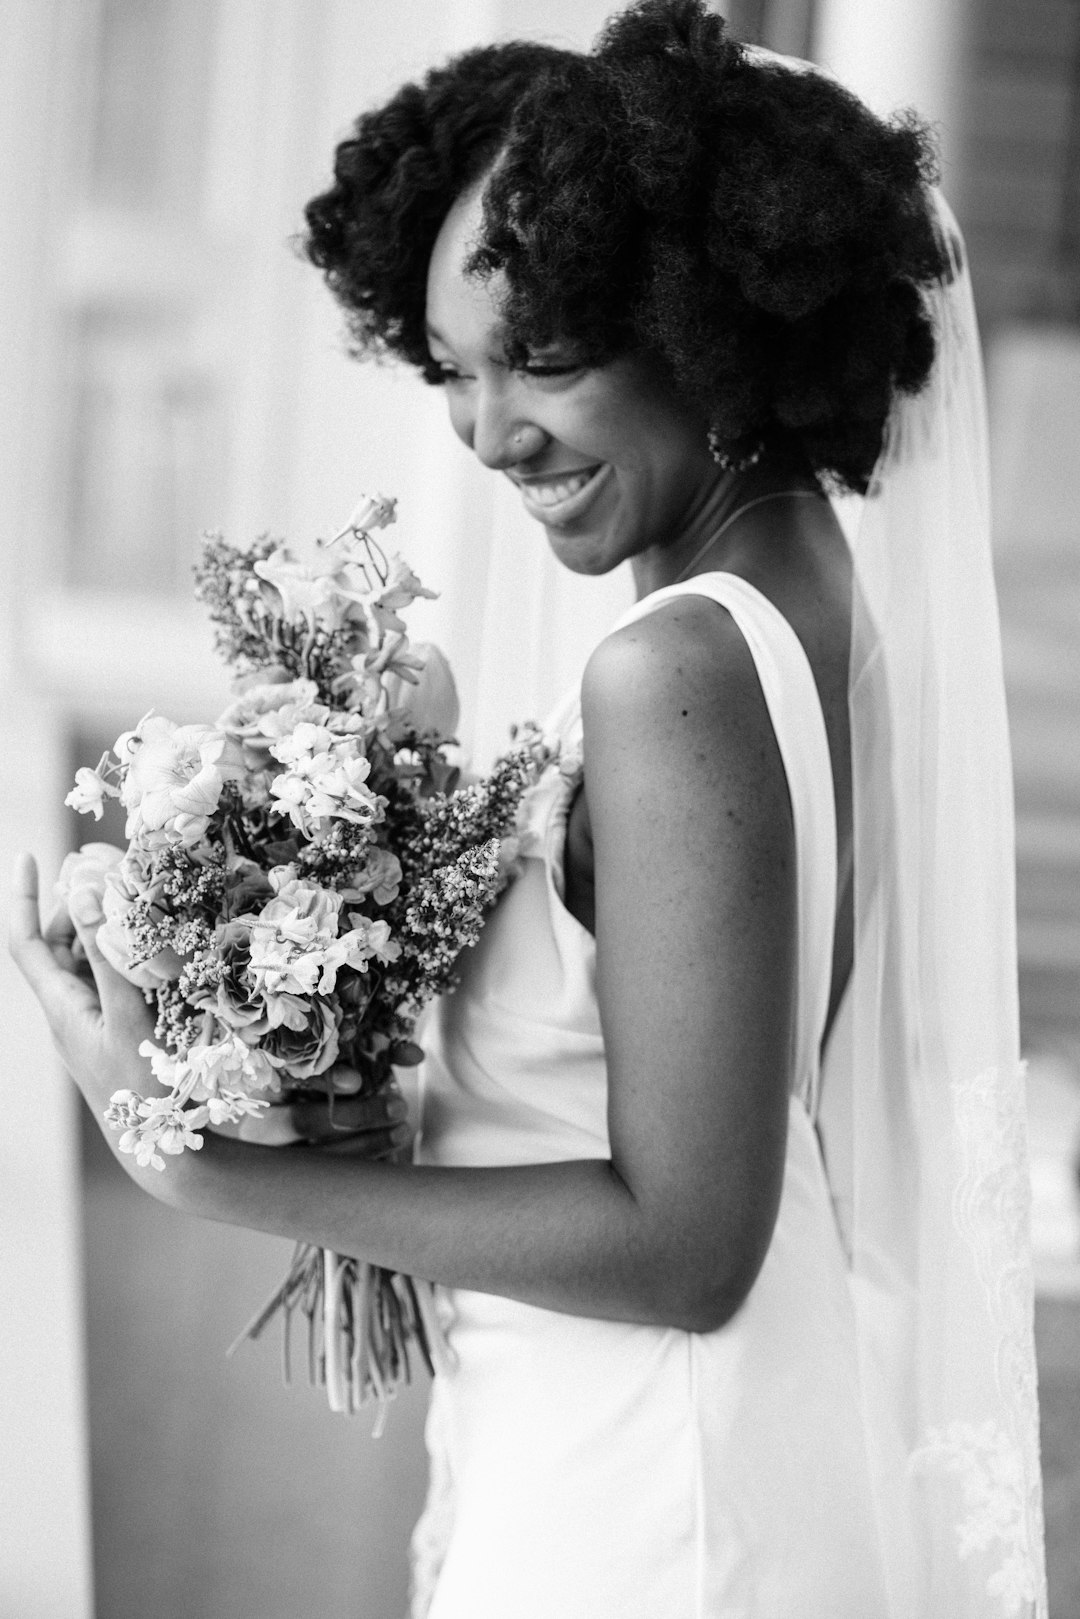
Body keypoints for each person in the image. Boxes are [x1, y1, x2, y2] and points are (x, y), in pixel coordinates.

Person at [11, 3, 1047, 1615]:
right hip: (657, 1445)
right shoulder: (799, 594)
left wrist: (199, 1162)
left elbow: (689, 1246)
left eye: (545, 362)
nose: (494, 436)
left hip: (659, 1502)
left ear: (708, 329)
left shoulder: (672, 670)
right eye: (452, 373)